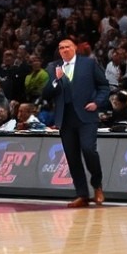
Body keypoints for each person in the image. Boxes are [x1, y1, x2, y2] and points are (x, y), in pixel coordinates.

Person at [41, 38, 110, 208]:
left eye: (67, 47)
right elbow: (46, 93)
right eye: (61, 48)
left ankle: (97, 185)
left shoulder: (89, 63)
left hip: (86, 116)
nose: (64, 50)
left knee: (88, 150)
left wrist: (96, 102)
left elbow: (104, 86)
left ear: (75, 48)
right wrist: (56, 80)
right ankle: (82, 194)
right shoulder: (53, 67)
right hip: (65, 117)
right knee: (72, 158)